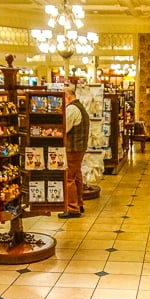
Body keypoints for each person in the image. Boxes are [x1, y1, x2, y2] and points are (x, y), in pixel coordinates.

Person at [58, 85, 90, 218]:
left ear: (68, 96)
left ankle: (72, 208)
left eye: (62, 98)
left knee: (69, 177)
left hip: (72, 147)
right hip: (79, 147)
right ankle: (79, 203)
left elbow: (64, 128)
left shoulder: (72, 109)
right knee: (76, 175)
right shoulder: (81, 107)